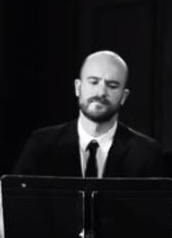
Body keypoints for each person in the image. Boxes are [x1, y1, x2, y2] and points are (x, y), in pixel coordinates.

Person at [13, 50, 162, 178]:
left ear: (124, 96)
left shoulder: (145, 153)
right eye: (93, 82)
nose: (101, 92)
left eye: (112, 86)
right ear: (78, 88)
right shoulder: (41, 146)